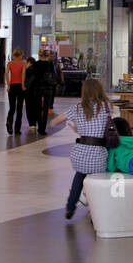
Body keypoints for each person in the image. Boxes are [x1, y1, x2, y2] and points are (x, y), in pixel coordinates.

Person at [53, 77, 113, 219]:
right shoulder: (105, 107)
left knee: (79, 177)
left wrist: (76, 127)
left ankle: (70, 207)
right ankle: (97, 209)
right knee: (98, 181)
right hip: (99, 154)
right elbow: (102, 130)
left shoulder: (77, 108)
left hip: (80, 154)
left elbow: (55, 121)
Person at [27, 48, 60, 135]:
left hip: (37, 88)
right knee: (45, 108)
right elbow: (55, 75)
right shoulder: (50, 64)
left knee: (37, 107)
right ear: (47, 55)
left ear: (39, 55)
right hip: (48, 88)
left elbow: (28, 72)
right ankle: (42, 129)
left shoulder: (35, 64)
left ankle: (39, 125)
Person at [5, 48, 27, 135]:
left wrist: (8, 85)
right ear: (21, 55)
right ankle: (17, 129)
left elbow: (6, 73)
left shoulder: (9, 64)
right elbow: (23, 74)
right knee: (19, 108)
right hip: (20, 87)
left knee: (12, 108)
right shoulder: (23, 63)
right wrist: (23, 85)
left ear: (14, 55)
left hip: (12, 87)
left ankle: (9, 124)